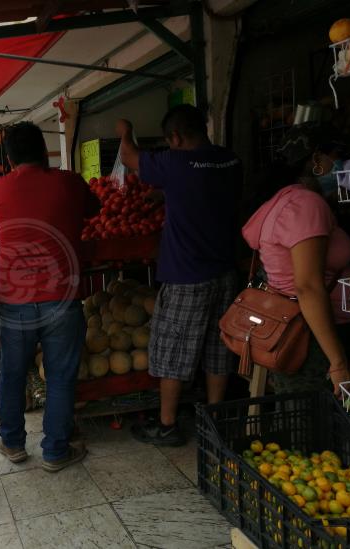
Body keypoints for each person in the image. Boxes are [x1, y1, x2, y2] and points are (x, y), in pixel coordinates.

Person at [116, 105, 242, 447]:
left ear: (175, 137)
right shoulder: (229, 160)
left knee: (171, 351)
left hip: (188, 276)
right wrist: (167, 194)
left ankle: (167, 424)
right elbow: (204, 192)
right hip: (226, 272)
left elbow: (128, 156)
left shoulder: (175, 163)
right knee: (219, 348)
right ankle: (215, 419)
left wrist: (126, 129)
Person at [0, 121, 100, 473]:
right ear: (45, 150)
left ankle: (14, 443)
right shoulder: (69, 182)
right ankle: (55, 450)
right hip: (63, 299)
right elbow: (93, 208)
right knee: (61, 376)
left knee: (12, 372)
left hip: (16, 301)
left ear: (9, 157)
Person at [242, 124, 350, 395]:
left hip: (297, 330)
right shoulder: (305, 205)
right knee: (319, 425)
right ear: (316, 159)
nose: (339, 164)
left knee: (304, 422)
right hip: (314, 339)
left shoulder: (284, 200)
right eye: (336, 157)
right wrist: (338, 362)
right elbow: (308, 287)